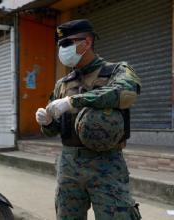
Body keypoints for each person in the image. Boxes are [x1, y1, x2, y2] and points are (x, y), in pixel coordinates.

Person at [35, 19, 142, 220]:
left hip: (107, 163)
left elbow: (128, 91)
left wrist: (74, 101)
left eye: (67, 43)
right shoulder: (62, 84)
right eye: (60, 45)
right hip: (69, 164)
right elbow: (53, 130)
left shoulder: (117, 71)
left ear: (87, 42)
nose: (62, 49)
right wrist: (47, 122)